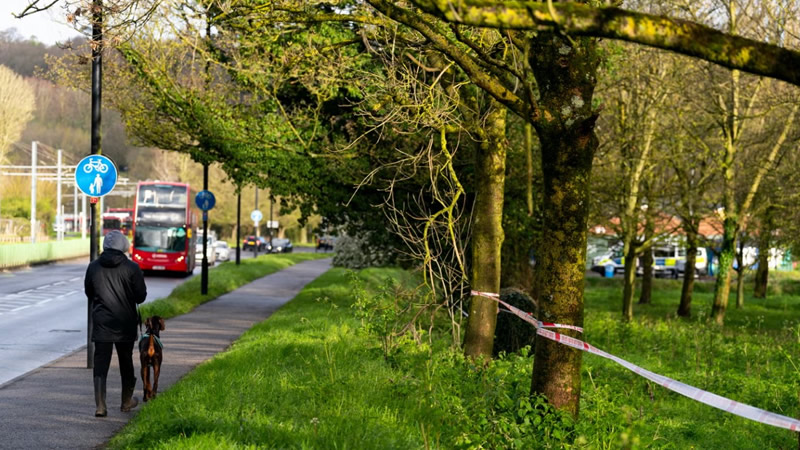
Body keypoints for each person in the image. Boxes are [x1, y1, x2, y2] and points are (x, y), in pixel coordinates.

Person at [84, 230, 147, 417]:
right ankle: (126, 401)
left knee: (101, 362)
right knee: (125, 361)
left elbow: (89, 292)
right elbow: (141, 297)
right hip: (125, 322)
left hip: (102, 321)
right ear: (124, 246)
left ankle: (100, 406)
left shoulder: (93, 267)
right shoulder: (132, 268)